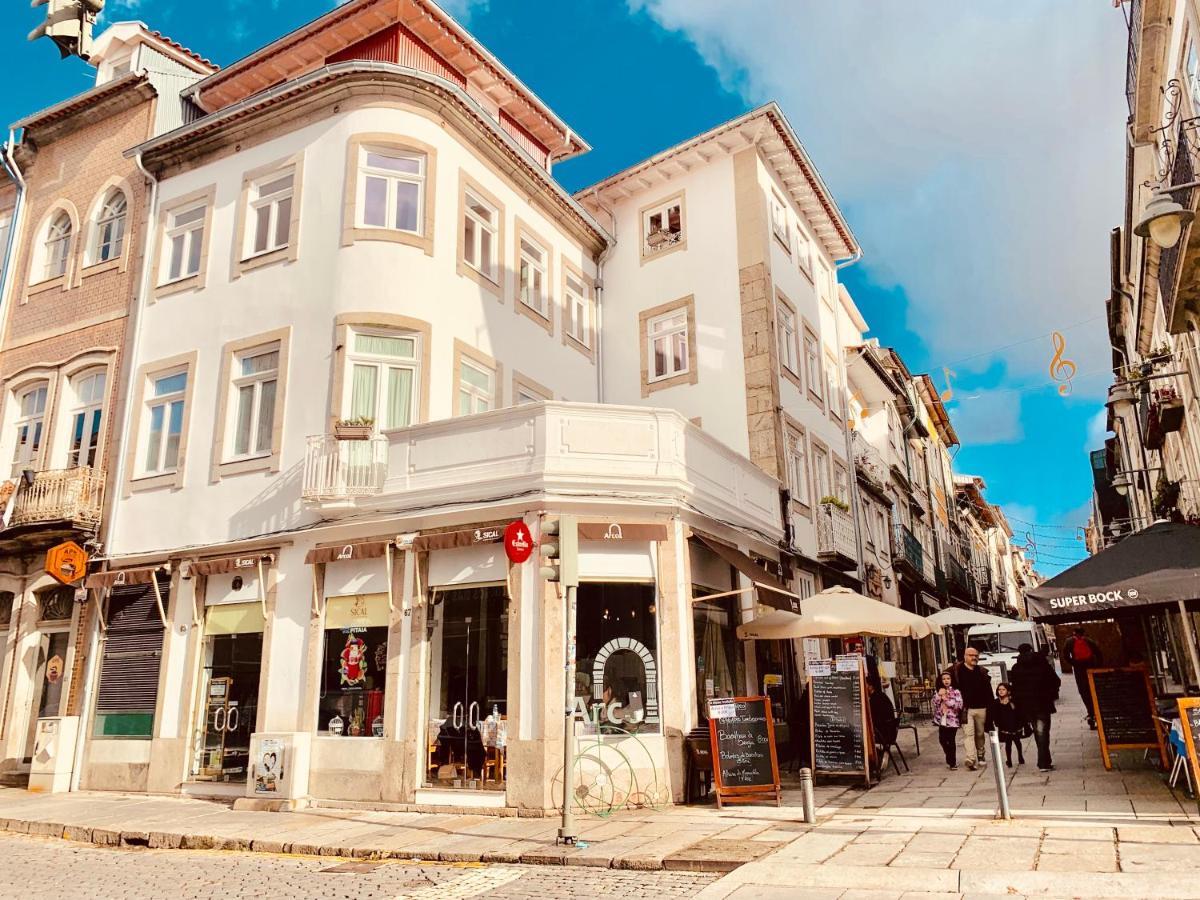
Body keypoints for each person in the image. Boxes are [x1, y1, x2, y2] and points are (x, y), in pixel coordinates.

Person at [1009, 642, 1061, 772]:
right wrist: (1051, 693)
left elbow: (1014, 687)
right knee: (1042, 732)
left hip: (1025, 705)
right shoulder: (1041, 664)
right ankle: (1044, 763)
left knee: (1038, 731)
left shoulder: (1016, 668)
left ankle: (1045, 760)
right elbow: (1056, 681)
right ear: (1031, 650)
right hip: (1042, 703)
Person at [949, 646, 994, 770]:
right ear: (965, 656)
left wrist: (991, 707)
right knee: (968, 734)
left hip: (982, 708)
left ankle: (981, 755)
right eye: (971, 655)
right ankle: (970, 758)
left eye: (976, 655)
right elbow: (942, 678)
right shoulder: (956, 670)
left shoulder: (982, 671)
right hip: (966, 709)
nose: (974, 657)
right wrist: (942, 689)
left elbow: (989, 691)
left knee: (979, 734)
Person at [1065, 628, 1103, 729]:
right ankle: (1097, 714)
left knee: (1084, 692)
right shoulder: (1089, 641)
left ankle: (1090, 714)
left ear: (1074, 633)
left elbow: (1065, 655)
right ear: (1083, 633)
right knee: (1094, 691)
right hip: (1091, 668)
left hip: (1079, 670)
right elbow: (1098, 653)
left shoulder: (1069, 642)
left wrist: (1074, 663)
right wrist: (1097, 666)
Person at [985, 682, 1025, 767]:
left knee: (1017, 741)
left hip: (1014, 725)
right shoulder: (996, 702)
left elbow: (1019, 713)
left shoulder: (1013, 701)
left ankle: (1020, 756)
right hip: (1004, 726)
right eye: (999, 689)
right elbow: (992, 714)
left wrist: (1022, 724)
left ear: (1008, 691)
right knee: (1008, 743)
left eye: (1003, 689)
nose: (1001, 691)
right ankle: (1009, 760)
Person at [933, 670, 964, 770]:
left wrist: (946, 699)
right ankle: (949, 757)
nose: (946, 681)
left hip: (952, 720)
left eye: (948, 679)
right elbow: (935, 703)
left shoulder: (956, 691)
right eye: (944, 679)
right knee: (942, 740)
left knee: (951, 741)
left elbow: (958, 706)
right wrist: (939, 695)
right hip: (942, 719)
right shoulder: (939, 690)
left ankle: (952, 763)